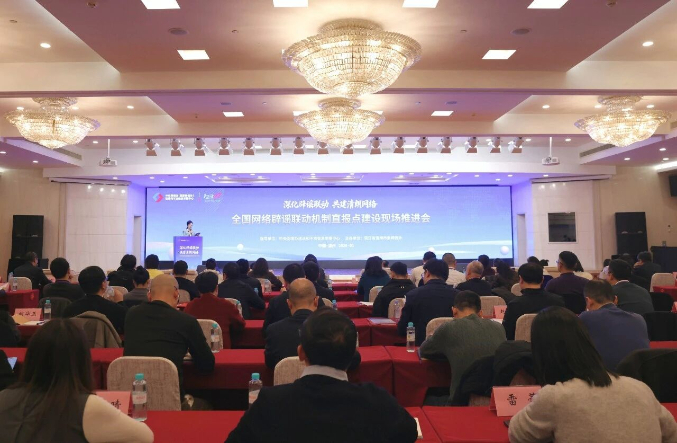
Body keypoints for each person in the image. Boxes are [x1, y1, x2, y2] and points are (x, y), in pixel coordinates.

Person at [226, 309, 418, 443]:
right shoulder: (376, 400)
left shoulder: (269, 402)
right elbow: (408, 433)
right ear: (353, 356)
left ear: (301, 353)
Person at [509, 307, 677, 443]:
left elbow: (517, 434)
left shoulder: (554, 397)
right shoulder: (639, 388)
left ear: (541, 354)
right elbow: (671, 434)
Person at [0, 319, 153, 443]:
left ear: (31, 358)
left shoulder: (4, 397)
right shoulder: (86, 405)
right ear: (82, 361)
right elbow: (145, 436)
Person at [124, 274, 214, 397]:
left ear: (149, 295)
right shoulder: (186, 321)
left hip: (134, 397)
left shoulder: (131, 315)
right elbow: (207, 364)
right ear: (176, 294)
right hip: (172, 399)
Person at [419, 291, 506, 402]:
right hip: (496, 400)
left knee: (425, 398)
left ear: (454, 311)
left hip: (462, 401)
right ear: (480, 313)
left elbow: (424, 350)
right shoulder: (499, 327)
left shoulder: (448, 328)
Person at [265, 279, 360, 370]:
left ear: (289, 304)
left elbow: (270, 363)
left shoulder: (273, 330)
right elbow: (353, 360)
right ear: (316, 301)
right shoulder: (334, 328)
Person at [579, 280, 649, 370]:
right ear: (616, 299)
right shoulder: (639, 318)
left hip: (606, 376)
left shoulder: (586, 317)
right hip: (640, 374)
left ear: (588, 301)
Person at [397, 259, 457, 346]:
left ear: (427, 273)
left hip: (421, 347)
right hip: (452, 347)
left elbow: (402, 329)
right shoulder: (458, 296)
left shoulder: (413, 295)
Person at [502, 263, 564, 340]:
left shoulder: (514, 305)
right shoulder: (558, 301)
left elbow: (507, 334)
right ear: (542, 279)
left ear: (521, 279)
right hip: (553, 345)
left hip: (521, 346)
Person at [184, 272, 245, 349]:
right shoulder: (227, 305)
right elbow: (240, 325)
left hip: (195, 351)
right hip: (222, 351)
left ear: (198, 290)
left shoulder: (190, 306)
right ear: (216, 288)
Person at [63, 266, 128, 334]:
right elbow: (127, 325)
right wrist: (120, 302)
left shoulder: (70, 309)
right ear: (103, 284)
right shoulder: (115, 309)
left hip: (78, 341)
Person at [264, 264, 326, 333]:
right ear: (305, 278)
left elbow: (266, 331)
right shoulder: (317, 300)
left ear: (285, 282)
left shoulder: (275, 302)